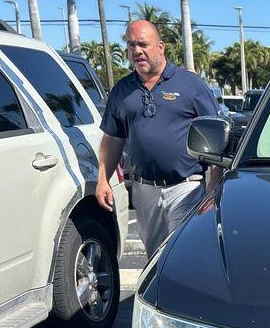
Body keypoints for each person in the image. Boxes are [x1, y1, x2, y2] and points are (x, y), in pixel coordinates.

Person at [95, 20, 222, 256]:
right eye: (131, 45)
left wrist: (214, 184)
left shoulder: (190, 84)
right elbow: (113, 139)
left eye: (143, 44)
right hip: (144, 191)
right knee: (154, 257)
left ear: (160, 47)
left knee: (182, 254)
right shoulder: (122, 90)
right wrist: (103, 179)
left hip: (185, 187)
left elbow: (216, 133)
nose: (136, 51)